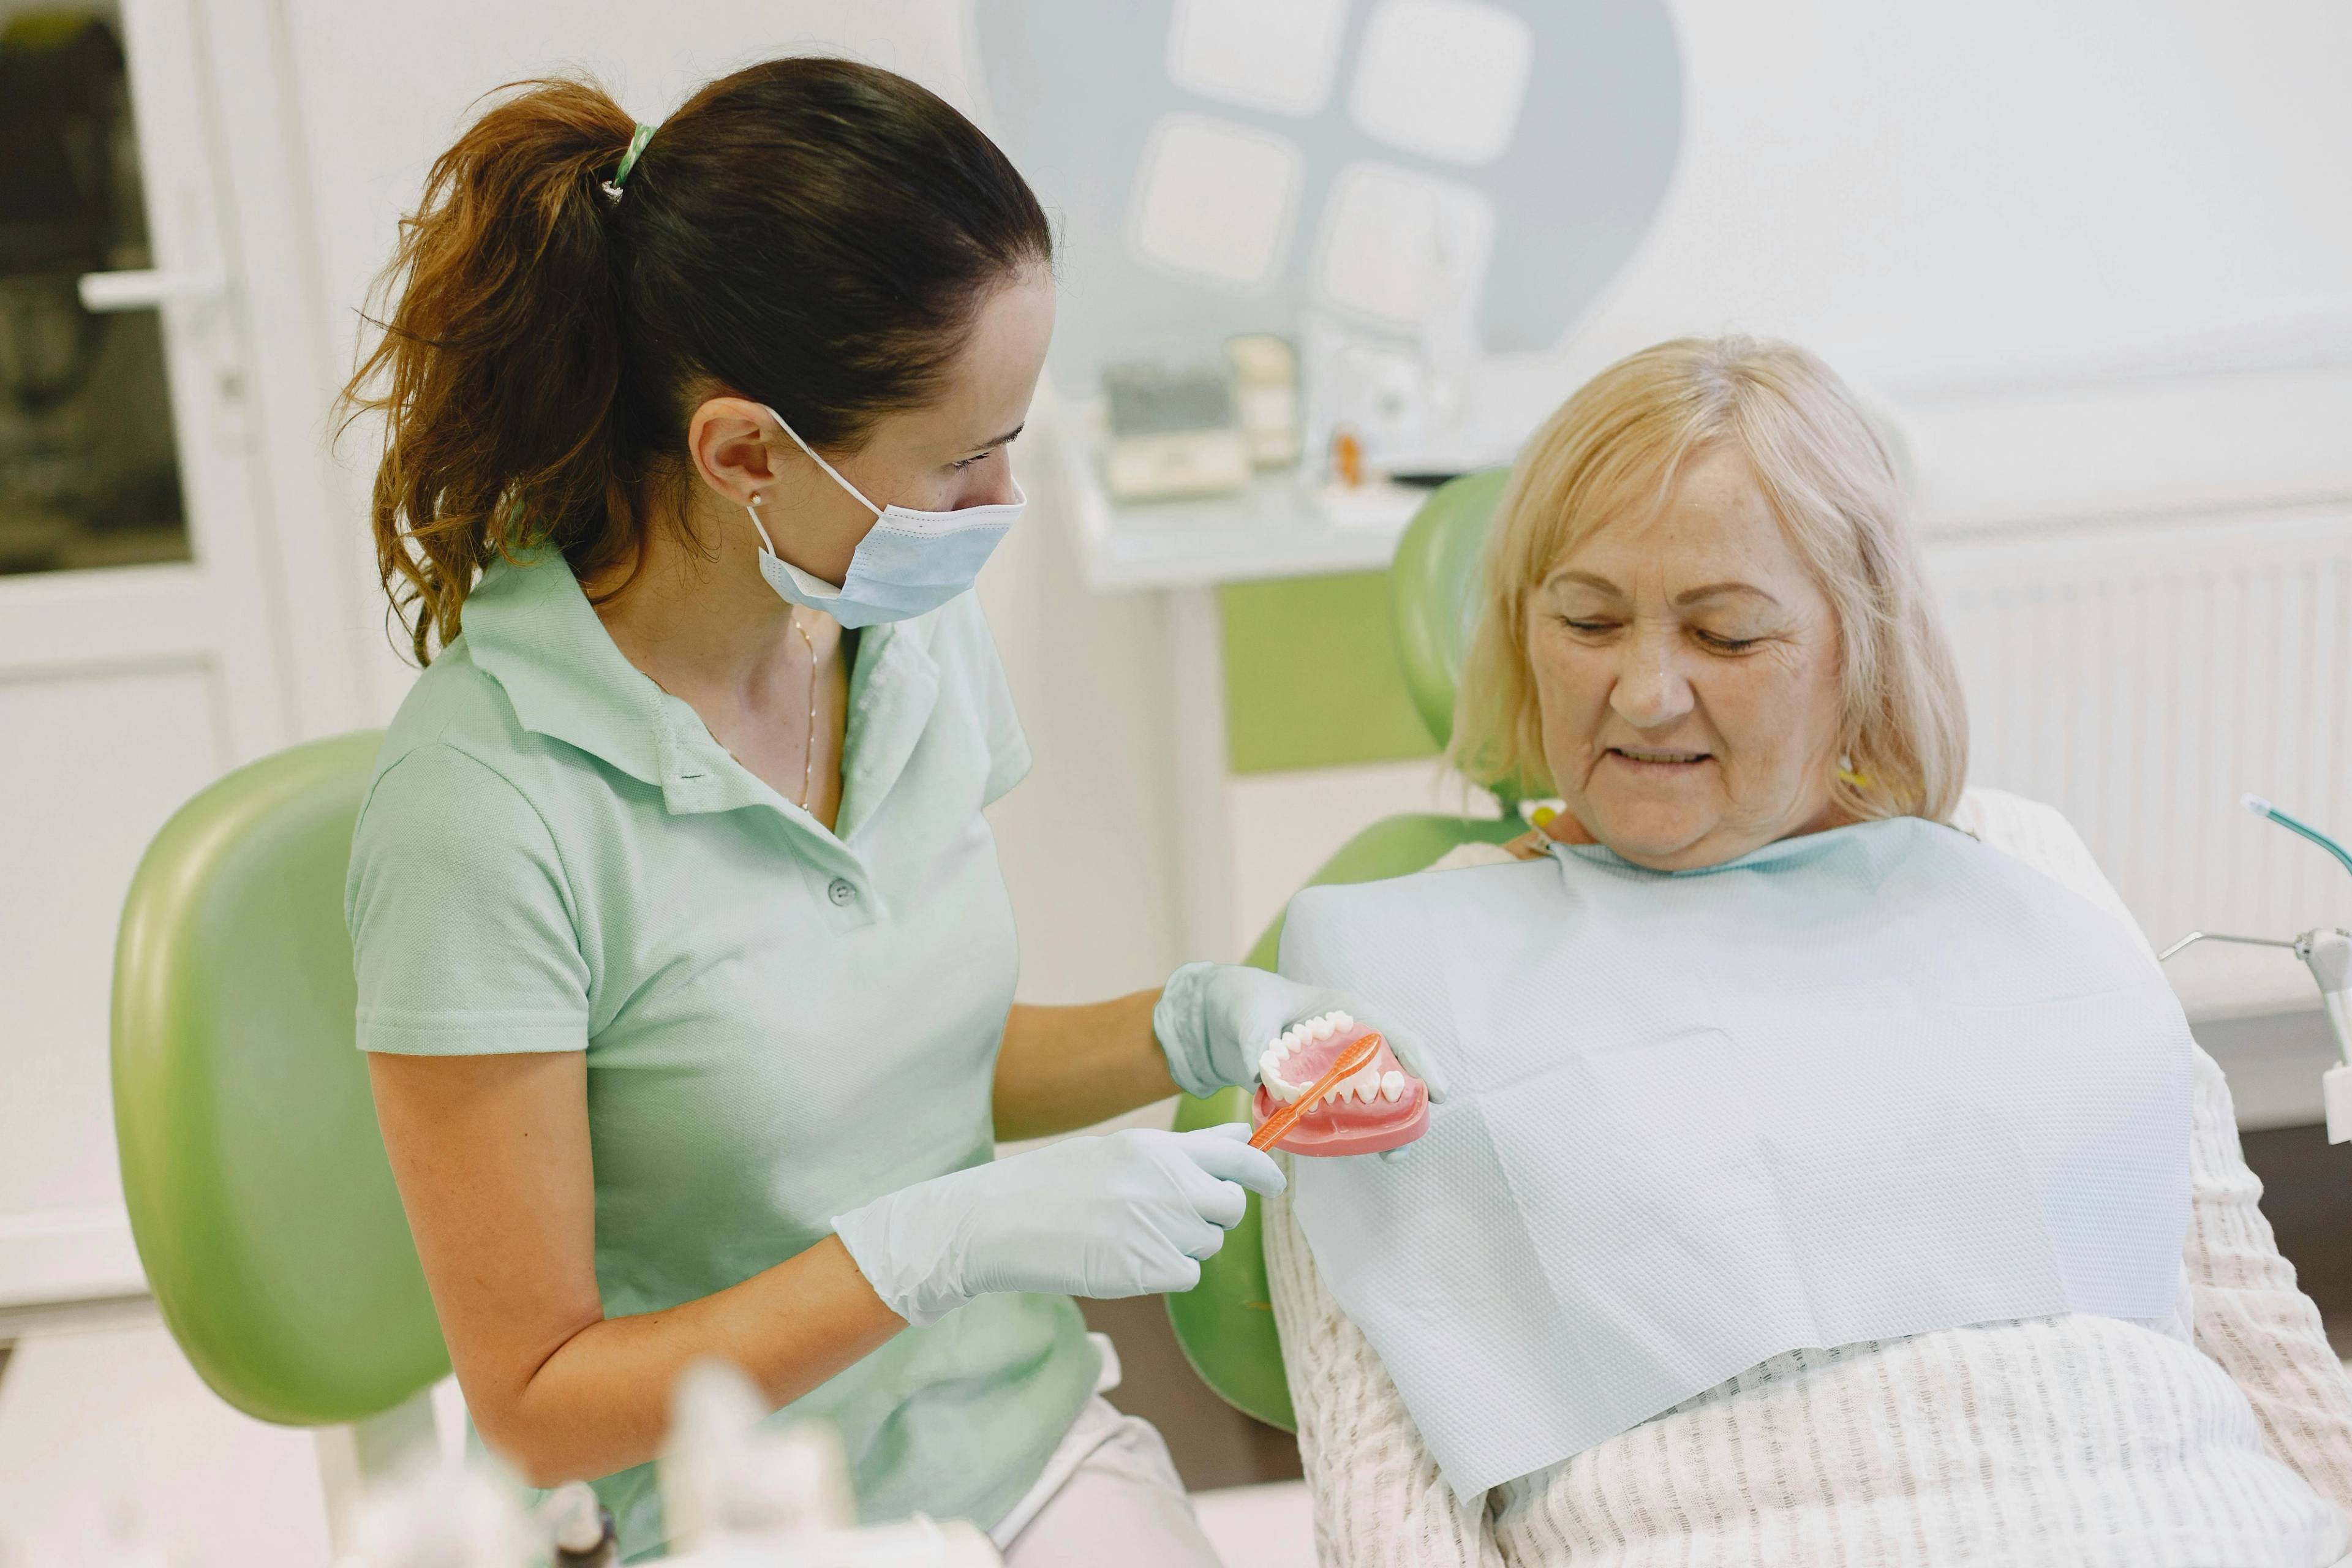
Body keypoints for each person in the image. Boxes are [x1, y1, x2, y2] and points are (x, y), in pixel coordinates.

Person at [339, 59, 1400, 1564]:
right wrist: (931, 1245)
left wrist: (1188, 1021)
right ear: (747, 453)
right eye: (963, 454)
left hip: (1016, 1434)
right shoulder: (484, 811)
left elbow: (917, 1057)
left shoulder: (890, 629)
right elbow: (538, 1401)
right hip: (723, 1512)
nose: (999, 499)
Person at [1262, 337, 2352, 1566]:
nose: (1645, 692)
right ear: (1523, 628)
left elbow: (2252, 1322)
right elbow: (1381, 1484)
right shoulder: (1387, 971)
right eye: (1589, 619)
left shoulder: (2022, 867)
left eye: (1726, 636)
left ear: (1859, 647)